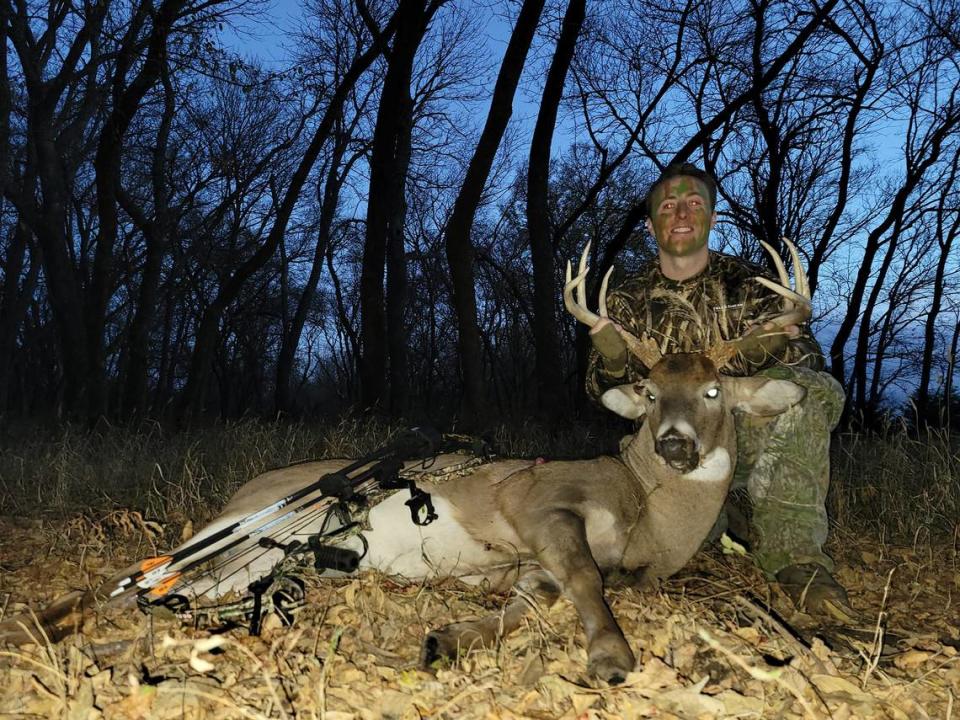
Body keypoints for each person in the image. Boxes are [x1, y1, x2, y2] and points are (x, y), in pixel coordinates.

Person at [585, 162, 851, 617]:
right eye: (668, 206)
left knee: (806, 394)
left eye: (694, 204)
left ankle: (796, 560)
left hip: (740, 437)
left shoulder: (754, 289)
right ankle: (719, 521)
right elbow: (602, 393)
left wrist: (758, 352)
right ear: (652, 226)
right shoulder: (626, 298)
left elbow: (810, 370)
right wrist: (612, 362)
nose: (682, 213)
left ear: (711, 218)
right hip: (665, 449)